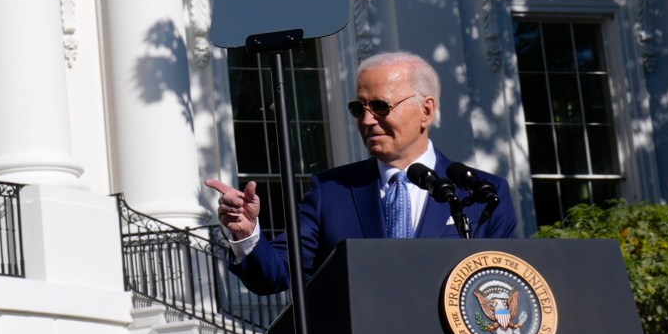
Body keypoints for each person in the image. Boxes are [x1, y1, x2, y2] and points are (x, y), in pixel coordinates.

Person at [207, 50, 519, 296]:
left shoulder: (479, 192)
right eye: (359, 109)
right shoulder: (331, 192)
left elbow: (502, 286)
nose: (367, 121)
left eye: (381, 106)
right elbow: (274, 274)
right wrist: (247, 233)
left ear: (426, 110)